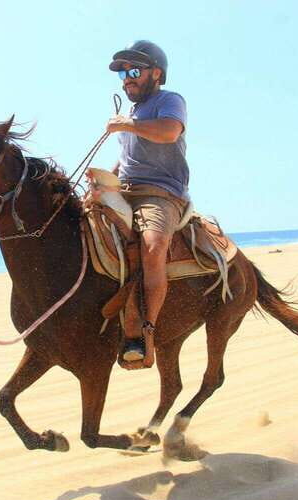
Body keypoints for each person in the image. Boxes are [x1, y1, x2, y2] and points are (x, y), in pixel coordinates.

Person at [105, 40, 190, 365]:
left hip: (160, 193)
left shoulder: (169, 101)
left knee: (153, 246)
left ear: (157, 73)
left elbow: (169, 132)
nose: (127, 78)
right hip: (125, 188)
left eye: (135, 71)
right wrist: (105, 179)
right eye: (124, 73)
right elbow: (126, 159)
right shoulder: (131, 113)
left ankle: (144, 331)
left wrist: (126, 124)